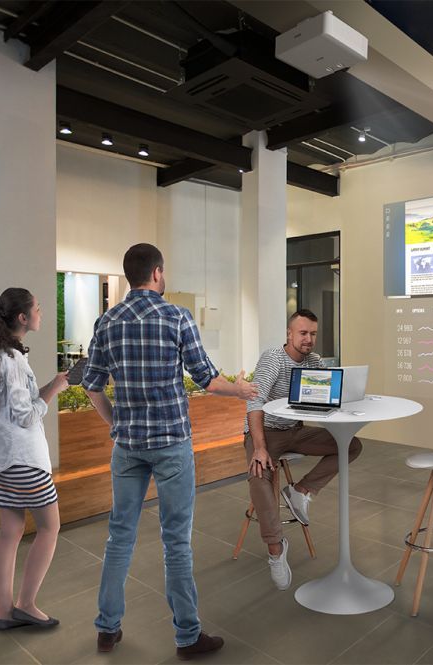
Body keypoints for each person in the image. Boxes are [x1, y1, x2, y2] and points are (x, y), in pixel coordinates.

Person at [82, 243, 258, 660]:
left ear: (130, 275)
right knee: (176, 541)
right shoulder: (176, 316)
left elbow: (91, 385)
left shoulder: (107, 321)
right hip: (171, 444)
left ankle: (107, 628)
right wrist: (240, 390)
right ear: (157, 273)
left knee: (119, 535)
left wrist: (116, 423)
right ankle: (187, 636)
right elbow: (206, 379)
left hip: (128, 446)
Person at [244, 309, 363, 590]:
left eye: (313, 334)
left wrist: (341, 399)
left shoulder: (314, 361)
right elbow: (254, 402)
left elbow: (324, 397)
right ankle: (276, 549)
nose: (308, 339)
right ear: (289, 334)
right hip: (266, 432)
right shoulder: (273, 359)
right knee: (259, 476)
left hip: (295, 431)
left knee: (350, 445)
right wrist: (259, 448)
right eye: (303, 333)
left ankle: (300, 491)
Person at [0, 287, 68, 631]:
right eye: (38, 309)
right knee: (50, 527)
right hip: (25, 461)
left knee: (11, 532)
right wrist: (54, 391)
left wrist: (53, 383)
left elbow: (20, 404)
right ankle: (26, 605)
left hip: (4, 461)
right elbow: (25, 416)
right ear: (22, 317)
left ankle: (4, 612)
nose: (41, 314)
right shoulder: (11, 360)